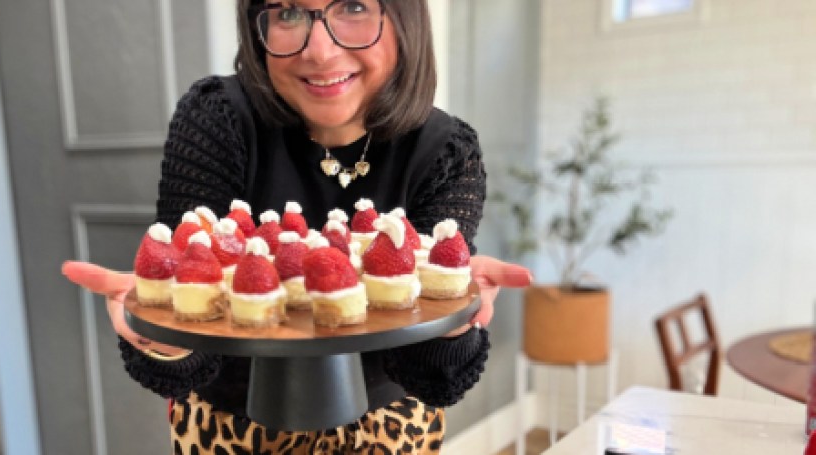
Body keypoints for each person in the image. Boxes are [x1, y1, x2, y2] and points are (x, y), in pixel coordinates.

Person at [62, 0, 532, 453]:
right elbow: (188, 365)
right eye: (288, 12)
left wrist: (452, 318)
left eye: (353, 6)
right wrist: (164, 331)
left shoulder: (446, 151)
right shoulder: (217, 117)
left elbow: (435, 379)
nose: (319, 51)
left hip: (389, 432)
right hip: (231, 430)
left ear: (403, 15)